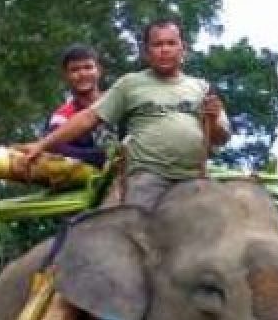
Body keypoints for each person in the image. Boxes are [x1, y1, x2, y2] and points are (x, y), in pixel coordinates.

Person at [20, 17, 232, 209]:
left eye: (171, 43)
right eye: (157, 44)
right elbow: (88, 118)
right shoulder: (130, 84)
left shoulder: (202, 88)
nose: (164, 50)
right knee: (126, 232)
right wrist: (41, 145)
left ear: (182, 48)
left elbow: (220, 138)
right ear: (146, 52)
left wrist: (213, 120)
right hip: (148, 178)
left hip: (193, 179)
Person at [45, 43, 111, 169]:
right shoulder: (62, 115)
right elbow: (54, 147)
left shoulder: (119, 99)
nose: (82, 74)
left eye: (88, 67)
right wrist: (103, 156)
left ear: (99, 70)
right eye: (75, 70)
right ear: (65, 75)